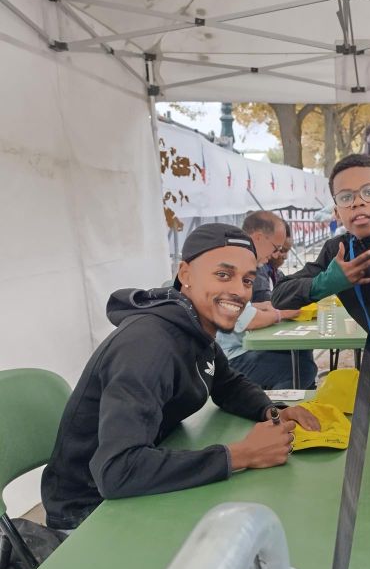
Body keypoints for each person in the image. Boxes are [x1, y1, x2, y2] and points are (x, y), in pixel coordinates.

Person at [42, 224, 320, 531]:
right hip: (89, 511)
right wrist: (241, 455)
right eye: (223, 274)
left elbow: (226, 383)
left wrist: (272, 411)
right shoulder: (148, 346)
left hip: (144, 477)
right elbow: (117, 470)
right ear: (185, 274)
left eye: (247, 280)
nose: (240, 291)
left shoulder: (193, 326)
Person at [272, 154, 370, 420]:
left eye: (369, 192)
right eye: (346, 197)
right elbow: (279, 296)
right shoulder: (338, 250)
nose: (357, 202)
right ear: (337, 212)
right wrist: (325, 282)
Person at [219, 214, 317, 390]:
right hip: (229, 357)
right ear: (258, 238)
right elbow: (248, 320)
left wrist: (263, 306)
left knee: (302, 351)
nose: (275, 255)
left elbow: (237, 308)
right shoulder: (232, 268)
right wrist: (280, 313)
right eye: (276, 247)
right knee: (304, 370)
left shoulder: (238, 263)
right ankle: (271, 405)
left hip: (236, 347)